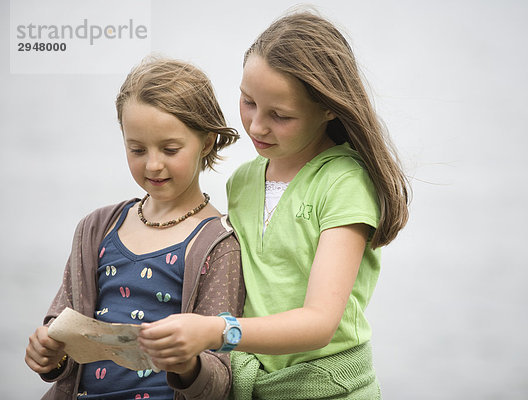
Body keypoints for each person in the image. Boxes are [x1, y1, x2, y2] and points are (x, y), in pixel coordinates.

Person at [24, 57, 245, 400]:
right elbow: (61, 330)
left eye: (170, 149)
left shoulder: (217, 245)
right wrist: (48, 353)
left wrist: (187, 364)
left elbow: (220, 380)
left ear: (207, 141)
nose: (153, 164)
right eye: (137, 149)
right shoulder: (96, 229)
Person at [222, 10, 409, 399]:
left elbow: (319, 323)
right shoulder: (240, 182)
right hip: (254, 383)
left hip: (331, 389)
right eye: (248, 101)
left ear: (328, 108)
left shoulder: (344, 182)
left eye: (280, 115)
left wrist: (220, 331)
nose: (256, 126)